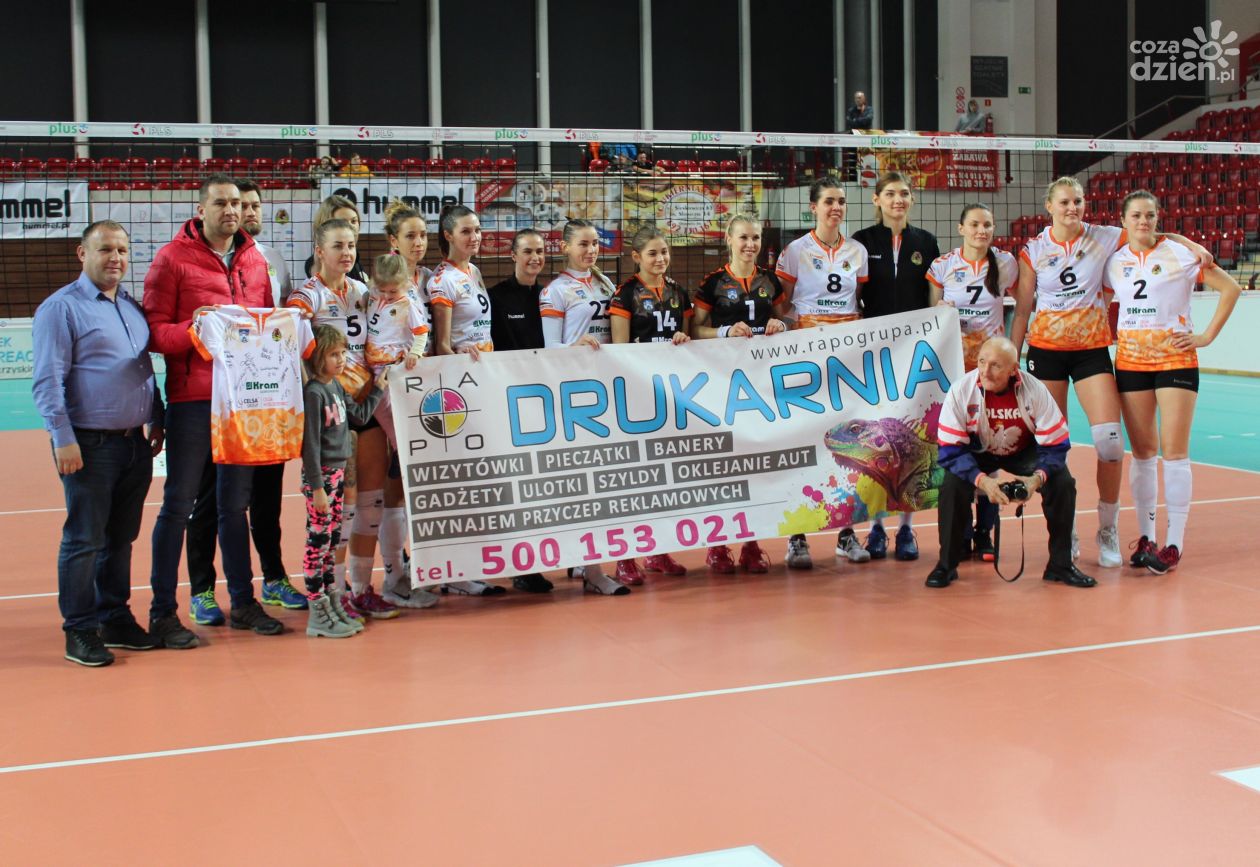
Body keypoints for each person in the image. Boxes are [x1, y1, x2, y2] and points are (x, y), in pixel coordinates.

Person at [1010, 176, 1211, 568]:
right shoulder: (1033, 250)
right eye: (1064, 202)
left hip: (1091, 351)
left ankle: (1108, 529)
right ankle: (1065, 530)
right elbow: (1021, 311)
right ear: (1049, 206)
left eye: (1078, 201)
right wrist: (1013, 360)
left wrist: (1192, 245)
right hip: (1046, 354)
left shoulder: (1104, 236)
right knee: (1054, 446)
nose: (1073, 208)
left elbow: (1149, 232)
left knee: (1111, 443)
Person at [143, 175, 281, 647]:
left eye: (237, 203)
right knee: (178, 505)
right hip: (193, 401)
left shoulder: (255, 259)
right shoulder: (171, 258)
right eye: (221, 202)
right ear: (201, 209)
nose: (231, 210)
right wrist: (195, 330)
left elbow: (265, 324)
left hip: (244, 402)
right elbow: (154, 332)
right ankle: (163, 613)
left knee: (235, 507)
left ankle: (243, 602)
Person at [32, 221, 165, 666]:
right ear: (82, 253)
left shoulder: (130, 307)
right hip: (89, 445)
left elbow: (143, 369)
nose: (116, 258)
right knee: (84, 539)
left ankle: (115, 618)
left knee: (120, 538)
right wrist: (62, 438)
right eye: (106, 249)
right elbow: (47, 380)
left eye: (122, 250)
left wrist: (157, 416)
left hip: (134, 445)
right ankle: (80, 629)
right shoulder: (61, 308)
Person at [182, 179, 306, 620]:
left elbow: (277, 320)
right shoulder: (185, 258)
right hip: (214, 399)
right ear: (206, 209)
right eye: (237, 204)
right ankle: (202, 589)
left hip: (264, 397)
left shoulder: (266, 259)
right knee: (209, 499)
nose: (246, 212)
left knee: (267, 498)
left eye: (251, 204)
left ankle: (273, 578)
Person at [1103, 190, 1241, 574]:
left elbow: (1230, 288)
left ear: (1157, 218)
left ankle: (1174, 544)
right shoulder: (1114, 261)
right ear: (1124, 220)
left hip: (1175, 359)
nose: (1143, 221)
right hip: (1131, 361)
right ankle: (1146, 538)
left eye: (1150, 215)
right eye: (1136, 215)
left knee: (1174, 452)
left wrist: (1206, 336)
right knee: (1143, 452)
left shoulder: (1179, 254)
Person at [288, 219, 398, 620]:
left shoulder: (363, 292)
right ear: (320, 250)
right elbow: (291, 350)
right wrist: (314, 397)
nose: (347, 253)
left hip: (366, 404)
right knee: (341, 511)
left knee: (372, 504)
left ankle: (362, 590)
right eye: (338, 246)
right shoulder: (305, 298)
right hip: (334, 414)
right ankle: (332, 593)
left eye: (351, 245)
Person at [928, 337, 1095, 589]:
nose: (985, 371)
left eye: (995, 365)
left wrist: (1036, 479)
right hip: (978, 450)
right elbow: (950, 450)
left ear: (1014, 369)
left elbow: (1056, 446)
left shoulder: (1035, 390)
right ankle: (946, 565)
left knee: (1062, 483)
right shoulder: (961, 390)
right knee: (952, 485)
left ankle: (1060, 565)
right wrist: (982, 481)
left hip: (1024, 450)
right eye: (982, 362)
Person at [774, 176, 869, 568]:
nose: (836, 207)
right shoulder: (796, 251)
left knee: (848, 444)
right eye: (829, 201)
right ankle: (797, 537)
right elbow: (780, 304)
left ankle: (846, 534)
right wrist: (802, 334)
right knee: (806, 442)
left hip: (846, 359)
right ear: (813, 207)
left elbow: (859, 300)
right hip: (806, 358)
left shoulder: (857, 251)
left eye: (841, 201)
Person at [539, 219, 636, 594]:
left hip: (608, 389)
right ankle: (591, 569)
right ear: (564, 247)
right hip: (575, 394)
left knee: (606, 479)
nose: (591, 250)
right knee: (583, 481)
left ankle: (588, 561)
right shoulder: (555, 291)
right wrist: (574, 348)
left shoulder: (605, 284)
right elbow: (549, 348)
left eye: (595, 243)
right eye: (583, 244)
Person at [693, 214, 789, 576]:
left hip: (761, 385)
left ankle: (751, 543)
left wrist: (781, 324)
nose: (750, 244)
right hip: (722, 383)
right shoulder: (712, 283)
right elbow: (695, 329)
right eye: (743, 238)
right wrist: (724, 332)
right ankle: (717, 546)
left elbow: (784, 320)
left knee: (757, 464)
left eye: (755, 238)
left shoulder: (770, 280)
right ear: (729, 240)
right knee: (723, 465)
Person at [851, 171, 940, 559]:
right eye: (890, 194)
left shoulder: (926, 242)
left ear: (911, 199)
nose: (897, 200)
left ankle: (906, 530)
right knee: (877, 442)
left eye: (904, 193)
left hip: (914, 353)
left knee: (909, 440)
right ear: (877, 199)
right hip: (874, 354)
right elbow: (854, 296)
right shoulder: (862, 241)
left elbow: (934, 297)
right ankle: (875, 528)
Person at [927, 203, 1019, 560]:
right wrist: (942, 311)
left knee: (989, 452)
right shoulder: (944, 266)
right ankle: (963, 531)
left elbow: (1025, 298)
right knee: (960, 449)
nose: (982, 230)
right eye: (975, 224)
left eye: (988, 225)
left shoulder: (1005, 263)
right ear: (961, 228)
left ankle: (985, 533)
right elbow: (931, 315)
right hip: (956, 372)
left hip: (992, 375)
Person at [429, 204, 505, 596]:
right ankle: (453, 570)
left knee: (480, 478)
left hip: (482, 380)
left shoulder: (472, 271)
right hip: (461, 388)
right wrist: (462, 367)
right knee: (459, 479)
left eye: (477, 230)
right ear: (447, 235)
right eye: (466, 231)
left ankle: (467, 564)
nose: (474, 237)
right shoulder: (443, 281)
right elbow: (442, 345)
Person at [610, 224, 692, 580]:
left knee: (664, 478)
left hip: (671, 394)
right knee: (633, 479)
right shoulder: (625, 293)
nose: (661, 259)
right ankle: (625, 557)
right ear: (636, 257)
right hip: (636, 394)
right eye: (653, 253)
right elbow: (619, 351)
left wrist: (683, 338)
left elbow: (691, 341)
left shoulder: (678, 291)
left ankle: (658, 552)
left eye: (665, 252)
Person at [301, 326, 389, 638]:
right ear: (317, 358)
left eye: (342, 353)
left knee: (331, 543)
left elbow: (360, 417)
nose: (341, 360)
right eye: (333, 355)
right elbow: (310, 446)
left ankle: (332, 603)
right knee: (318, 543)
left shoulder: (336, 386)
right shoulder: (314, 393)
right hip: (322, 478)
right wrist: (317, 488)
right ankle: (317, 611)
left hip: (338, 474)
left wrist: (378, 389)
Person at [374, 201, 440, 609]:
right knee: (393, 487)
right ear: (393, 241)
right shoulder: (378, 283)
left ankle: (425, 568)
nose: (419, 242)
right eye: (410, 236)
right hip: (388, 390)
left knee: (423, 484)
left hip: (425, 389)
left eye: (423, 235)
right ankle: (393, 575)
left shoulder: (431, 280)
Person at [489, 228, 556, 594]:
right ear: (513, 255)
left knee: (545, 485)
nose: (535, 258)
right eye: (527, 251)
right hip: (509, 402)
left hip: (546, 402)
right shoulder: (496, 297)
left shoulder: (549, 296)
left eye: (540, 251)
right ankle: (521, 565)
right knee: (517, 487)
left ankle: (554, 557)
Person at [304, 195, 367, 283]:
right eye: (342, 222)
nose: (350, 227)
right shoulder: (323, 261)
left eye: (353, 221)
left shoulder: (353, 259)